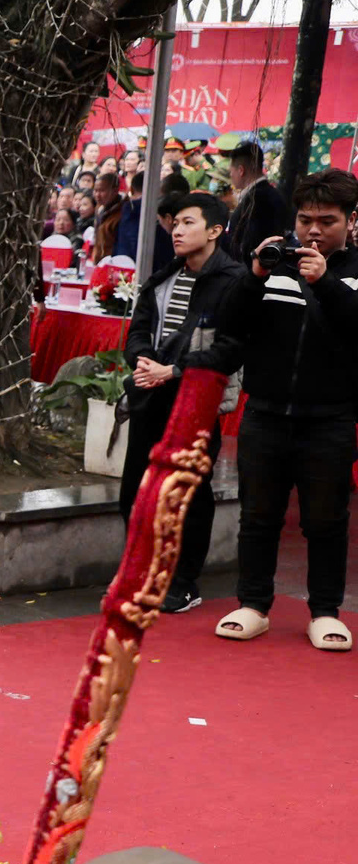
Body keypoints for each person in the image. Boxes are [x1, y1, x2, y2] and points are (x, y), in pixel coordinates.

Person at [213, 168, 358, 653]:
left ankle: (324, 612)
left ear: (350, 222)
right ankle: (253, 605)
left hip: (331, 417)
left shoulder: (353, 272)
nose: (313, 230)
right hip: (266, 411)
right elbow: (229, 322)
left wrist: (325, 284)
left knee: (325, 519)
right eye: (305, 219)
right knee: (257, 515)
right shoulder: (277, 263)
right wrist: (254, 273)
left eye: (327, 220)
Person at [117, 192, 245, 615]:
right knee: (136, 488)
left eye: (188, 223)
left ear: (214, 230)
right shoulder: (163, 276)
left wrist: (170, 371)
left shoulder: (233, 281)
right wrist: (140, 361)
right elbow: (138, 331)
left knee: (188, 493)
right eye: (175, 223)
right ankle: (139, 573)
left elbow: (229, 348)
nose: (177, 230)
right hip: (149, 396)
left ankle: (184, 581)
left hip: (196, 400)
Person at [223, 140, 291, 262]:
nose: (231, 176)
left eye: (231, 172)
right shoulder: (272, 194)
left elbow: (248, 246)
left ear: (240, 170)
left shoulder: (257, 200)